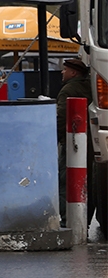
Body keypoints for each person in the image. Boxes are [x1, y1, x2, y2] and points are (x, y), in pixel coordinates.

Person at [56, 57, 95, 228]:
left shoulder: (69, 89)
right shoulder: (91, 87)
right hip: (91, 143)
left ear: (73, 73)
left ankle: (68, 222)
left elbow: (61, 116)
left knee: (67, 180)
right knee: (88, 184)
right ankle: (83, 222)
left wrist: (55, 140)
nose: (62, 72)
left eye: (65, 70)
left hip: (72, 142)